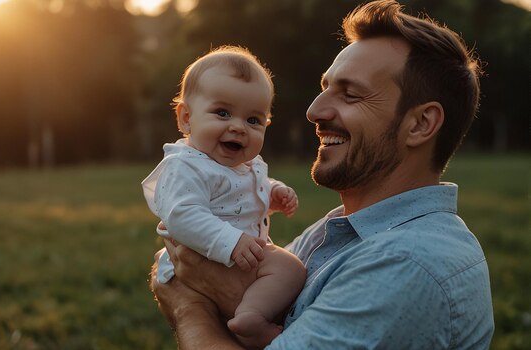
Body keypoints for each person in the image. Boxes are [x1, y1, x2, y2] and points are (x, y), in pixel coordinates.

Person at [149, 1, 495, 349]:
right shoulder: (343, 230)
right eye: (324, 87)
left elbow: (213, 289)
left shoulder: (406, 266)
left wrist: (188, 304)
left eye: (350, 94)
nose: (314, 111)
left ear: (420, 124)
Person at [141, 46, 306, 348]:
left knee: (288, 269)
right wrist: (231, 243)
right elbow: (181, 215)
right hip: (214, 254)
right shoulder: (185, 166)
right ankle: (252, 317)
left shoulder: (243, 166)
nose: (238, 127)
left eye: (254, 120)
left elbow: (244, 189)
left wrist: (273, 191)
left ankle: (244, 318)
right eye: (222, 113)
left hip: (234, 256)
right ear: (186, 118)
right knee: (290, 269)